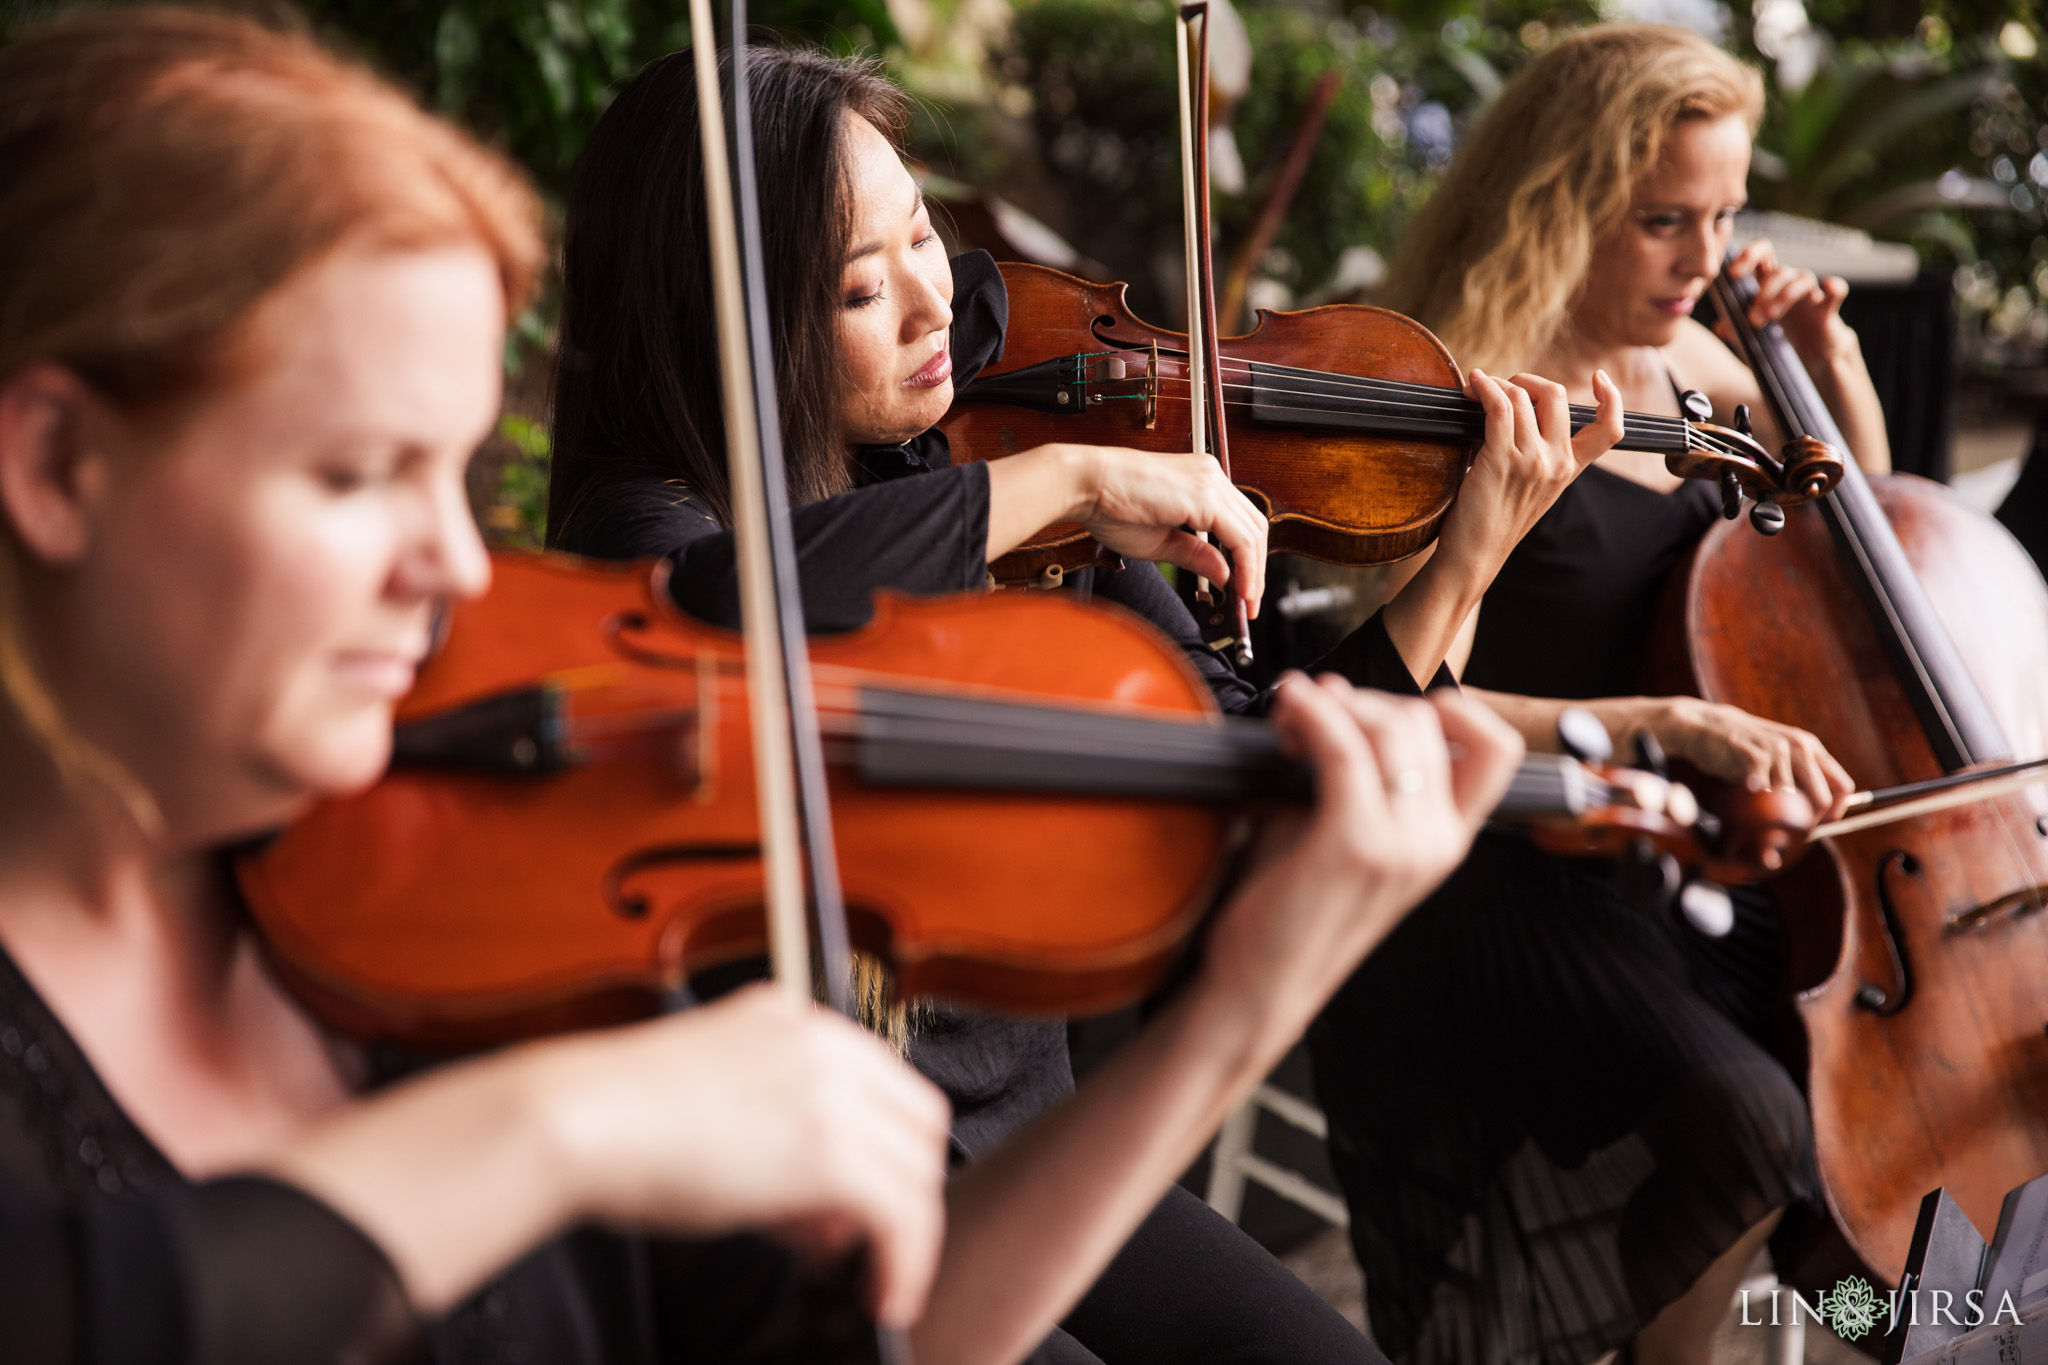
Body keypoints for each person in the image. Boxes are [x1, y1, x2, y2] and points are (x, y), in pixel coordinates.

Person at [0, 10, 1526, 1364]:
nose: (463, 574)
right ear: (58, 465)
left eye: (452, 473)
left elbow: (875, 1337)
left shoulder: (423, 909)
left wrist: (1243, 1006)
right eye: (353, 474)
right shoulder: (638, 620)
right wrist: (558, 1130)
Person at [545, 43, 1618, 1365]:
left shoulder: (971, 460)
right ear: (730, 320)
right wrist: (1058, 482)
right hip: (825, 1225)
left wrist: (1465, 570)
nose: (937, 305)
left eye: (926, 237)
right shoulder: (655, 531)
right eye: (861, 286)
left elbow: (1252, 744)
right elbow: (720, 603)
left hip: (1036, 1144)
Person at [1306, 24, 1891, 1365]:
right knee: (1744, 1119)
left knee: (1842, 1092)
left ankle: (1886, 1318)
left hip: (1672, 848)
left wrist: (1830, 376)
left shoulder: (1690, 381)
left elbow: (1851, 558)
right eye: (1662, 222)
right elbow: (1403, 685)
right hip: (1500, 851)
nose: (1704, 258)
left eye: (1725, 216)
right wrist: (1665, 722)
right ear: (1562, 202)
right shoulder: (1459, 394)